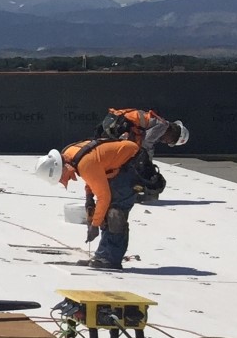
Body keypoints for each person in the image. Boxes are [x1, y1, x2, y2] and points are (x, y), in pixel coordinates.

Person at [35, 135, 144, 270]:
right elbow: (93, 176)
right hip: (119, 165)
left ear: (63, 168)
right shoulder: (69, 153)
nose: (63, 180)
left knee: (115, 212)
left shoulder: (85, 164)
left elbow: (104, 196)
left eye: (61, 177)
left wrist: (94, 225)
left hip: (132, 164)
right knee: (105, 211)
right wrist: (89, 199)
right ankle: (103, 256)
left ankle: (111, 259)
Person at [100, 107, 189, 202]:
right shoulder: (163, 126)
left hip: (114, 122)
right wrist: (148, 163)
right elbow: (146, 142)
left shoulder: (159, 123)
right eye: (170, 140)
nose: (166, 142)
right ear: (174, 134)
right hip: (118, 126)